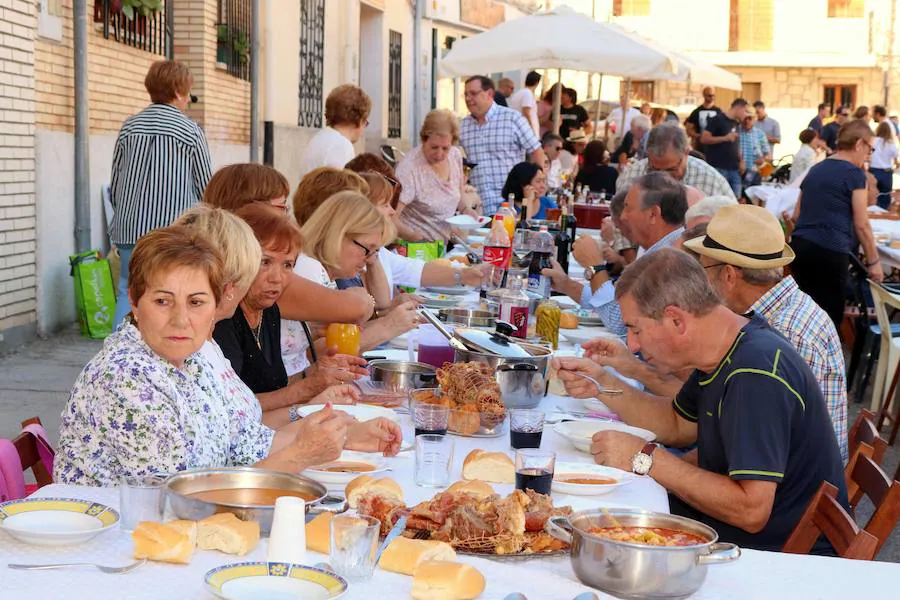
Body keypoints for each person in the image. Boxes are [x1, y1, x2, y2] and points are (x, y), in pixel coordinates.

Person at [553, 248, 849, 553]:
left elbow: (751, 510)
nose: (633, 344)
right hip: (731, 535)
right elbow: (676, 424)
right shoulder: (728, 346)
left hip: (776, 560)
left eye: (635, 328)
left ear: (676, 320)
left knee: (582, 541)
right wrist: (602, 383)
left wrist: (645, 458)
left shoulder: (754, 374)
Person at [55, 226, 400, 487]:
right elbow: (185, 498)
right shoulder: (126, 377)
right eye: (162, 301)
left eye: (196, 302)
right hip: (112, 554)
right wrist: (300, 455)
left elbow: (243, 442)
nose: (180, 319)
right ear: (134, 300)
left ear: (217, 302)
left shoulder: (193, 355)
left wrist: (341, 434)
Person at [175, 205, 365, 430]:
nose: (277, 278)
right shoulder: (220, 320)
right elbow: (232, 413)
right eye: (265, 262)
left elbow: (262, 392)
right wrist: (305, 395)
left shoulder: (269, 311)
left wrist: (314, 374)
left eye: (288, 265)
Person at [683, 205, 849, 461]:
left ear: (728, 274)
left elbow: (766, 451)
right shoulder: (775, 313)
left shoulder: (784, 332)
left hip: (793, 492)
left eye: (704, 270)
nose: (702, 282)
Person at [203, 164, 376, 327]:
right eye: (281, 207)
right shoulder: (250, 273)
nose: (287, 217)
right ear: (252, 211)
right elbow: (354, 307)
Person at [110, 60, 212, 327]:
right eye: (188, 93)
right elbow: (205, 189)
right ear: (179, 92)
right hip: (171, 232)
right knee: (168, 294)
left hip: (129, 229)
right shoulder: (190, 131)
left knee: (127, 289)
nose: (189, 99)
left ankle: (117, 353)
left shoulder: (130, 127)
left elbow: (116, 181)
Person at [542, 172, 687, 337]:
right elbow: (616, 301)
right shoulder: (663, 249)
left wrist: (595, 266)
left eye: (628, 207)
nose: (623, 216)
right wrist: (566, 285)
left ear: (653, 214)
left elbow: (620, 321)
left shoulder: (671, 258)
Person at [791, 120, 884, 329]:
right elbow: (862, 224)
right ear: (859, 144)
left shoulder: (817, 168)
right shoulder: (854, 174)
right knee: (828, 320)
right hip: (830, 250)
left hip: (801, 247)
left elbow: (797, 214)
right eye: (870, 148)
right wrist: (874, 262)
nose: (870, 154)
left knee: (805, 316)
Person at [459, 76, 544, 215]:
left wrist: (538, 185)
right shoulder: (463, 126)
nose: (468, 99)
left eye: (473, 93)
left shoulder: (512, 118)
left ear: (490, 94)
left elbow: (537, 152)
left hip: (511, 207)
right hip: (480, 209)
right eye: (466, 94)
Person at [394, 109, 467, 241]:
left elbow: (458, 192)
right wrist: (415, 237)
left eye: (445, 148)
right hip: (415, 248)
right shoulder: (409, 169)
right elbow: (391, 217)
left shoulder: (455, 155)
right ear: (424, 139)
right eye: (434, 147)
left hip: (443, 245)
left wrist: (466, 210)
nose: (439, 154)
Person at [618, 123, 736, 199]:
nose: (664, 176)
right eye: (655, 169)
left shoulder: (712, 181)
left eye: (671, 169)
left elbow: (734, 226)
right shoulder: (630, 177)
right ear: (648, 155)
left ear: (686, 153)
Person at [298, 85, 371, 178]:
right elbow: (340, 188)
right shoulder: (342, 146)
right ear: (360, 120)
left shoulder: (320, 138)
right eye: (366, 123)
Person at [701, 98, 749, 198]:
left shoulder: (736, 123)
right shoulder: (717, 119)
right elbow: (704, 139)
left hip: (734, 168)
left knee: (736, 201)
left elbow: (736, 144)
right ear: (739, 108)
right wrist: (725, 138)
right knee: (719, 200)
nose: (745, 115)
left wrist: (742, 161)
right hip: (719, 167)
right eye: (745, 111)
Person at [738, 114, 771, 190]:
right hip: (737, 171)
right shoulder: (735, 131)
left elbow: (767, 153)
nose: (747, 121)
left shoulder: (760, 133)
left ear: (754, 119)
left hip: (754, 171)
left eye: (750, 118)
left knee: (752, 198)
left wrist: (763, 159)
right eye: (745, 118)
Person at [684, 87, 722, 154]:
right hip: (700, 146)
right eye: (710, 95)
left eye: (713, 95)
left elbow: (722, 127)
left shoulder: (718, 111)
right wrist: (698, 135)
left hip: (715, 146)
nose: (712, 97)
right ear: (704, 95)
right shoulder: (696, 112)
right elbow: (688, 129)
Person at [870, 121, 898, 208]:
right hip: (886, 173)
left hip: (873, 171)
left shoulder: (872, 141)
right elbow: (897, 157)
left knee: (871, 196)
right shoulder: (891, 144)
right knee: (885, 197)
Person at [508, 71, 541, 136]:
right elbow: (526, 112)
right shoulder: (527, 93)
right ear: (537, 83)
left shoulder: (519, 93)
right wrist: (531, 128)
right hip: (526, 132)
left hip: (518, 128)